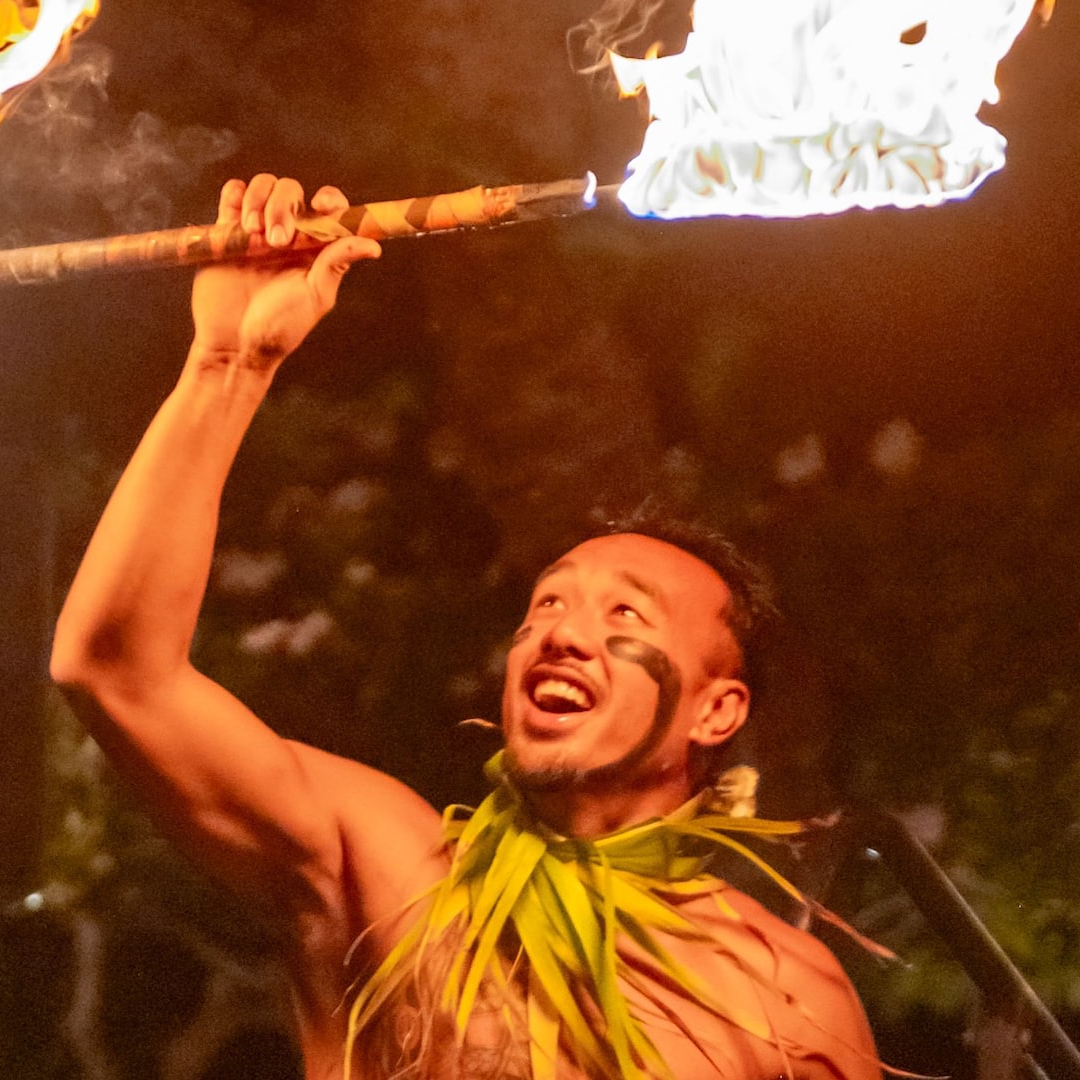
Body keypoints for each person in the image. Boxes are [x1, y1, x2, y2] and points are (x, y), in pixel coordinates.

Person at [50, 174, 881, 1080]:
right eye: (549, 603)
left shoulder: (789, 995)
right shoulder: (388, 871)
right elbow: (115, 671)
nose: (562, 633)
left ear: (717, 712)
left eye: (624, 615)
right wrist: (228, 366)